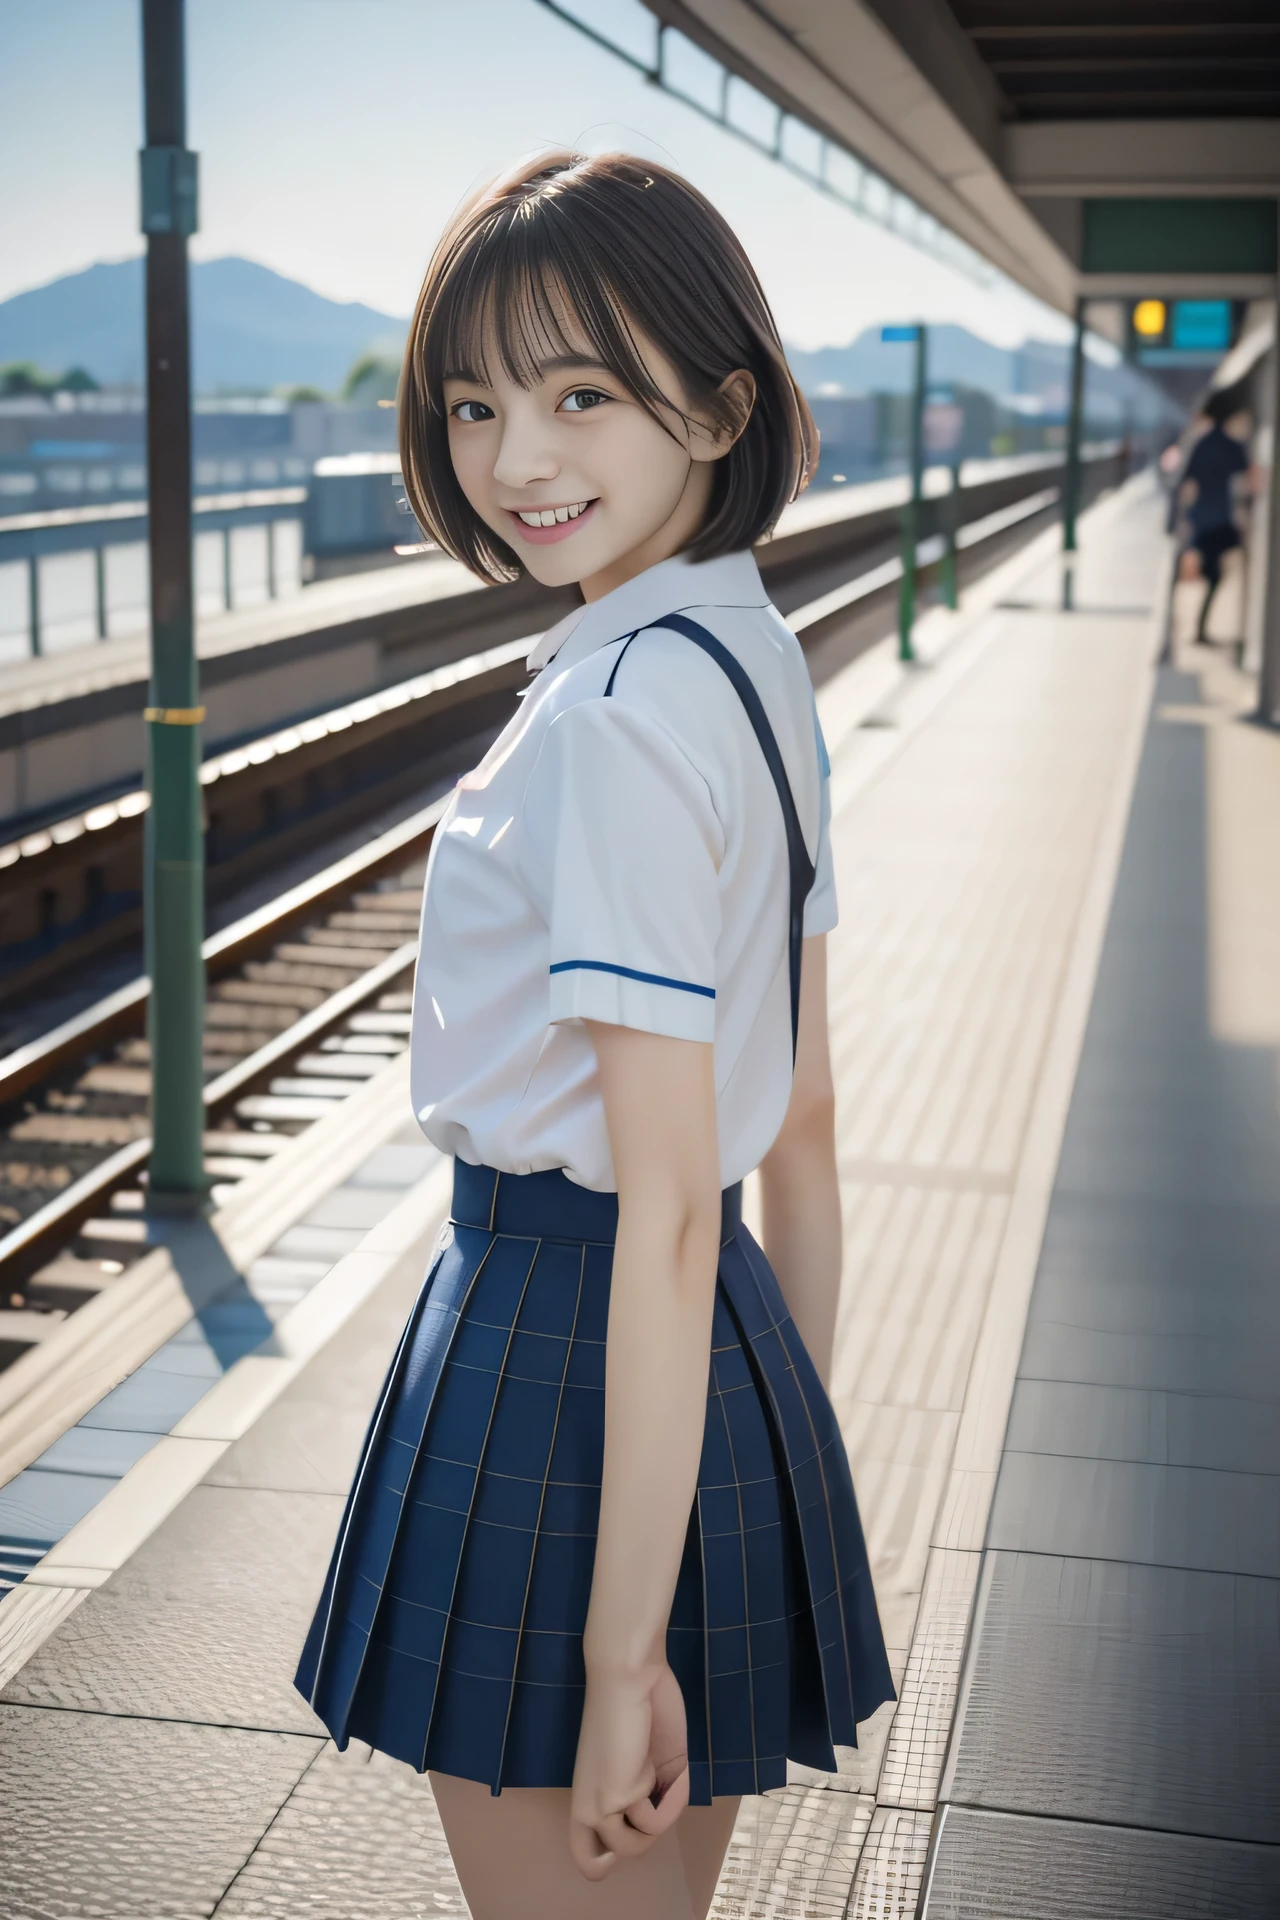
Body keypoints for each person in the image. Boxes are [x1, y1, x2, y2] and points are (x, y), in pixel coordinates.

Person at [294, 151, 893, 1920]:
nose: (516, 458)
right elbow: (808, 1125)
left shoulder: (620, 714)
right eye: (477, 402)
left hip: (565, 1355)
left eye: (580, 394)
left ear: (718, 406)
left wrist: (624, 1648)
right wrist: (777, 1448)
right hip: (710, 1367)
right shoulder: (742, 657)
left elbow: (670, 1201)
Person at [1177, 394, 1251, 645]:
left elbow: (1186, 481)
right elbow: (1246, 475)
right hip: (1220, 518)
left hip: (1204, 518)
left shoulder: (1201, 445)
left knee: (1214, 574)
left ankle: (1201, 629)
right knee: (1216, 575)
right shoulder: (1231, 446)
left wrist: (1182, 517)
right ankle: (1200, 630)